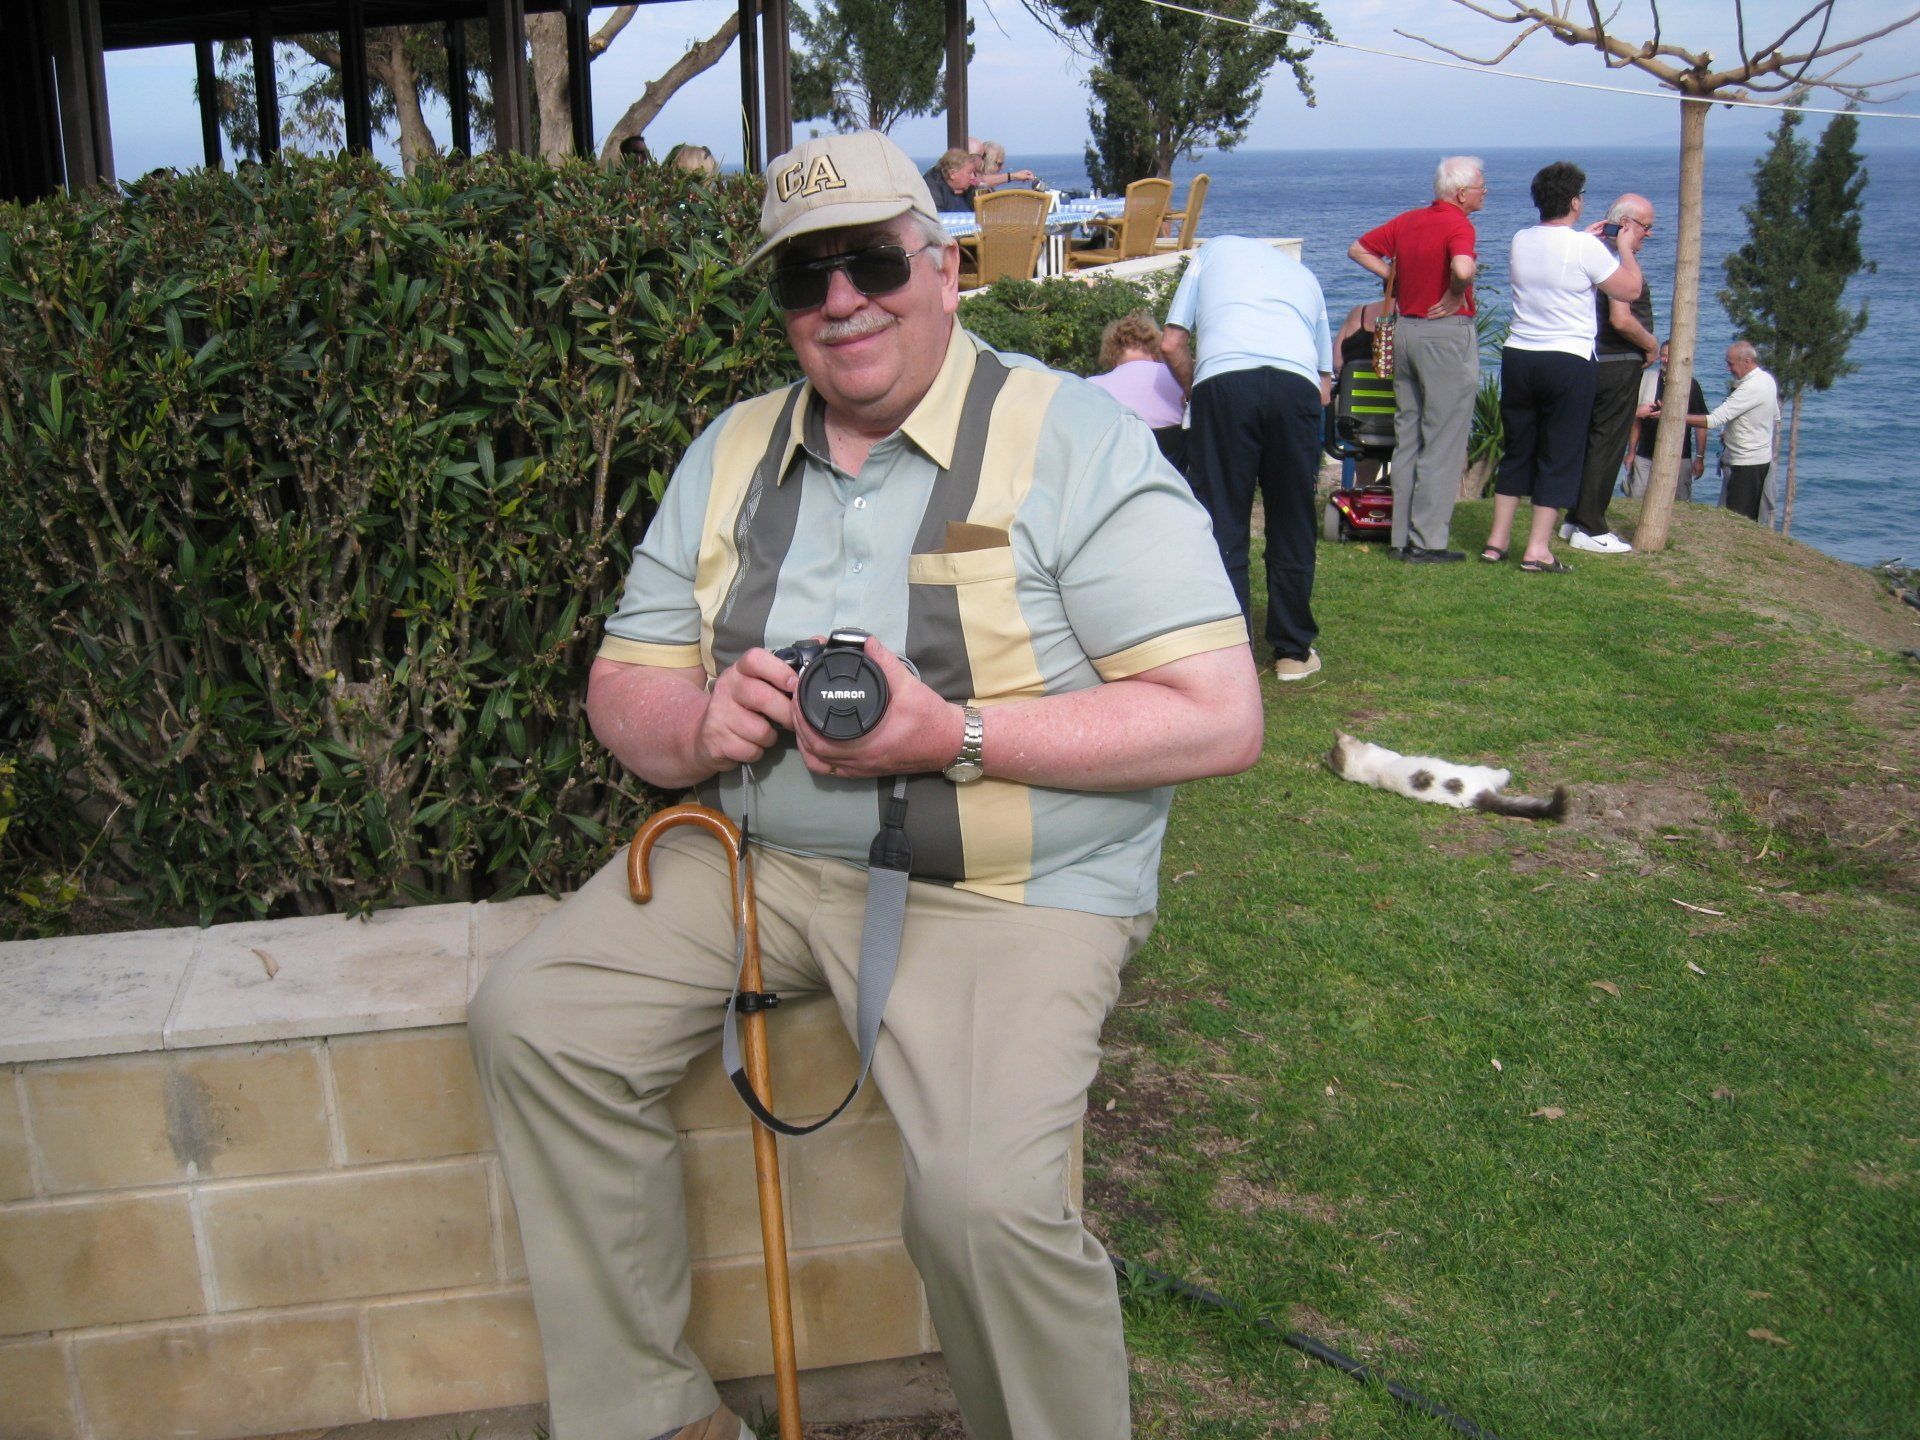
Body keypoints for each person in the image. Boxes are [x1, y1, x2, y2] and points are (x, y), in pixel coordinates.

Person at [468, 129, 1263, 1440]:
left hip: (1012, 884)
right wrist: (702, 721)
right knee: (533, 1026)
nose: (840, 301)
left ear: (942, 265)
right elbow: (625, 687)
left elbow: (1218, 717)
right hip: (762, 865)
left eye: (869, 262)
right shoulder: (729, 451)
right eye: (801, 277)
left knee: (985, 1205)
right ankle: (651, 1415)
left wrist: (948, 736)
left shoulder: (1075, 445)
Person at [1161, 235, 1334, 680]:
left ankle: (1231, 650)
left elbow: (1171, 343)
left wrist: (1192, 391)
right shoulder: (1307, 278)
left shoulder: (1211, 252)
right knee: (1293, 517)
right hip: (1296, 385)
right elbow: (1324, 386)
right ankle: (1293, 652)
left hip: (1225, 381)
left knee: (1223, 519)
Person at [1481, 161, 1644, 572]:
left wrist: (1583, 241)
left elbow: (1557, 258)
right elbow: (1630, 288)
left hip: (1519, 355)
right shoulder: (1585, 248)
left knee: (1519, 448)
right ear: (1575, 201)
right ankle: (1537, 549)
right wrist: (1622, 247)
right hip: (1567, 359)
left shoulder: (1520, 239)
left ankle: (1496, 542)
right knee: (1560, 452)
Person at [1348, 155, 1487, 563]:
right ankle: (1428, 541)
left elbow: (1358, 249)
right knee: (1443, 439)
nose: (1485, 191)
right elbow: (1462, 266)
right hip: (1444, 335)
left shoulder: (1409, 220)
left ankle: (1400, 536)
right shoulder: (1458, 224)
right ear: (1462, 193)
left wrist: (1395, 278)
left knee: (1408, 435)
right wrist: (1457, 291)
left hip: (1405, 331)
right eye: (1481, 185)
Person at [1559, 193, 1659, 555]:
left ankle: (1575, 517)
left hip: (1591, 361)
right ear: (1627, 224)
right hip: (1617, 363)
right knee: (1607, 442)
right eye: (1645, 227)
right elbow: (1621, 318)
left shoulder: (1590, 254)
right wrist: (1651, 345)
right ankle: (1591, 523)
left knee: (1590, 440)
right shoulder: (1616, 263)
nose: (1648, 234)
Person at [1683, 339, 1780, 521]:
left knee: (1738, 519)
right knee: (1748, 517)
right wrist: (1732, 431)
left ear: (1747, 362)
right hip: (1760, 460)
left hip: (1745, 464)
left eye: (1731, 363)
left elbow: (1713, 420)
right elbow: (1773, 415)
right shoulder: (1767, 380)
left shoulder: (1750, 388)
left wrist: (1674, 416)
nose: (1728, 369)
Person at [1087, 311, 1188, 467]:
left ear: (1111, 354)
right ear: (1156, 350)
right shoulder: (1182, 381)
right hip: (1171, 472)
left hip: (1117, 472)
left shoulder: (1091, 387)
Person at [1624, 340, 1706, 501]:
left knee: (1680, 500)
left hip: (1680, 454)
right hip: (1646, 453)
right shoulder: (1648, 380)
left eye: (1670, 356)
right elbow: (1637, 421)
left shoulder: (1690, 385)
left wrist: (1700, 457)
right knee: (1637, 496)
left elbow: (1701, 424)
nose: (1665, 360)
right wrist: (1631, 452)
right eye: (1662, 356)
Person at [1332, 281, 1392, 486]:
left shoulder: (1359, 314)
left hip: (1358, 423)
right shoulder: (1419, 321)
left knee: (1362, 411)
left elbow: (1337, 364)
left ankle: (1363, 486)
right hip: (1404, 423)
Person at [922, 147, 982, 212]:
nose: (973, 177)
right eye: (970, 172)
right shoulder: (932, 191)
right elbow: (937, 218)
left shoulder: (970, 189)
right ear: (952, 174)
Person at [972, 139, 1038, 190]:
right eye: (999, 164)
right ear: (987, 161)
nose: (1002, 167)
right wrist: (1014, 176)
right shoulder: (971, 180)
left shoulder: (984, 185)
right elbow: (981, 182)